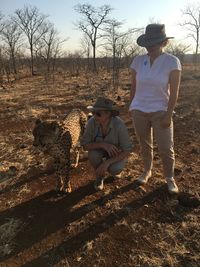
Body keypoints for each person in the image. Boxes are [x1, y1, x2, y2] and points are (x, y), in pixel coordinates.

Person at [129, 24, 182, 194]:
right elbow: (133, 87)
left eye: (154, 42)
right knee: (144, 145)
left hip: (161, 110)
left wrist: (168, 114)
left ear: (164, 43)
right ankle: (147, 171)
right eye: (147, 42)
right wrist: (132, 106)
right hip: (139, 109)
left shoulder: (172, 62)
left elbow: (174, 92)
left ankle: (169, 178)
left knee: (166, 147)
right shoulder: (137, 61)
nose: (149, 46)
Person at [81, 97, 133, 191]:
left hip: (115, 153)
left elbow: (127, 150)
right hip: (99, 150)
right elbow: (85, 145)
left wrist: (107, 163)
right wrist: (103, 145)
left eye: (98, 113)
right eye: (93, 113)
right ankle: (100, 177)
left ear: (108, 114)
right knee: (93, 154)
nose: (94, 116)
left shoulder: (119, 125)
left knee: (115, 169)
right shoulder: (91, 122)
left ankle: (109, 168)